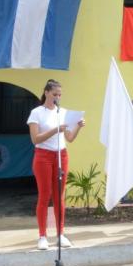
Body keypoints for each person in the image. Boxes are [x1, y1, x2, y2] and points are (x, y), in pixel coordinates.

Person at [27, 80, 85, 251]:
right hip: (43, 156)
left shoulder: (63, 112)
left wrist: (78, 127)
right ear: (46, 93)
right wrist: (55, 130)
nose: (57, 97)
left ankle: (60, 234)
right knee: (45, 195)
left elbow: (69, 138)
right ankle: (42, 236)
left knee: (59, 196)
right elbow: (35, 139)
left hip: (61, 155)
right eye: (54, 94)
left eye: (60, 95)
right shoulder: (36, 113)